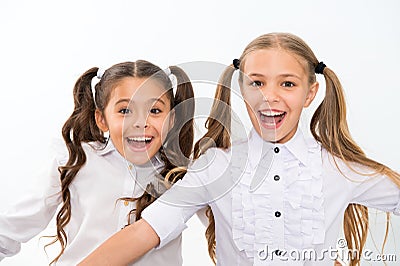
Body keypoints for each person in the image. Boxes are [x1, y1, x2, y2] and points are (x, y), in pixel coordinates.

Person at [78, 33, 400, 266]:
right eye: (256, 83)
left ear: (310, 92)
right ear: (241, 88)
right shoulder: (216, 167)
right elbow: (146, 231)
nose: (269, 96)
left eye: (287, 84)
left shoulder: (338, 169)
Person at [0, 60, 196, 265]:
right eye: (125, 110)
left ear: (172, 119)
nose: (140, 122)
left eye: (154, 110)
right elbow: (13, 227)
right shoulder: (75, 161)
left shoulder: (185, 175)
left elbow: (224, 228)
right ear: (101, 119)